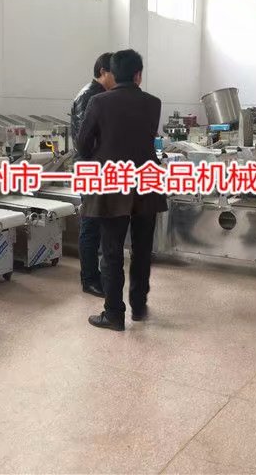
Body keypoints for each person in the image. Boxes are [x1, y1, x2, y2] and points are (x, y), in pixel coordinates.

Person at [76, 49, 168, 331]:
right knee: (142, 249)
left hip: (111, 184)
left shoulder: (98, 102)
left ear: (113, 74)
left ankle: (114, 313)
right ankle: (138, 306)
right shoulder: (153, 103)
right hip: (146, 182)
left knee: (112, 250)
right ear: (138, 75)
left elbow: (82, 144)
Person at [70, 52, 115, 298]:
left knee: (97, 224)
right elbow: (84, 140)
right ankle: (89, 279)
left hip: (97, 167)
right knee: (91, 225)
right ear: (103, 72)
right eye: (115, 73)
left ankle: (96, 275)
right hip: (90, 168)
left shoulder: (99, 95)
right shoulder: (89, 96)